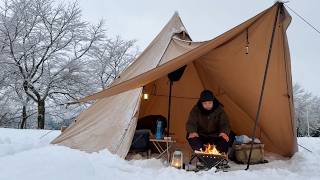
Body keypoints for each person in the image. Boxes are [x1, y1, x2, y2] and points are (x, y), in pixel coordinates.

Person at [186, 90, 230, 154]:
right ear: (201, 103)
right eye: (205, 103)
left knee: (225, 138)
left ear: (213, 101)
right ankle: (202, 156)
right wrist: (192, 132)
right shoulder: (196, 109)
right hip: (201, 136)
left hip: (215, 136)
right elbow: (191, 122)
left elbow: (225, 123)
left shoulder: (219, 109)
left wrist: (224, 132)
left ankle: (217, 157)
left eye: (209, 103)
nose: (207, 105)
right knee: (191, 136)